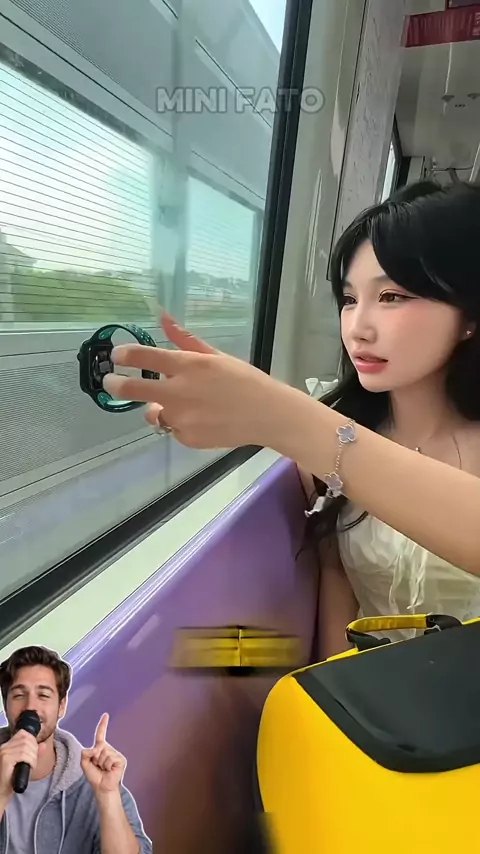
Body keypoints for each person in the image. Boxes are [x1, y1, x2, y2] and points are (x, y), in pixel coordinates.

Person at [102, 181, 480, 652]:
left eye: (391, 297)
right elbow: (336, 580)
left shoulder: (325, 437)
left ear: (469, 315)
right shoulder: (334, 436)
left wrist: (280, 416)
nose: (358, 328)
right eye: (349, 300)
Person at [0, 645, 152, 853]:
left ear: (61, 706)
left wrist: (107, 795)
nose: (30, 706)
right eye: (19, 695)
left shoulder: (92, 783)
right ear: (5, 705)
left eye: (43, 695)